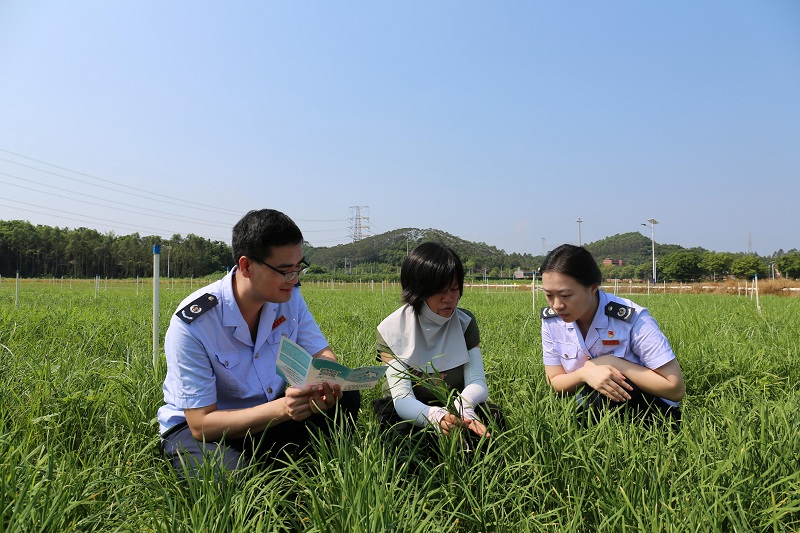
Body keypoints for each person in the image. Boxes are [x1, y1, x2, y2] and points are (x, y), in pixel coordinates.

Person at [158, 209, 360, 477]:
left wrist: (319, 383)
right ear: (246, 266)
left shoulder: (289, 298)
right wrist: (283, 409)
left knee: (345, 397)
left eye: (299, 268)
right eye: (285, 271)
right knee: (234, 482)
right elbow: (201, 424)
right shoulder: (195, 322)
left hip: (270, 415)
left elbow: (322, 353)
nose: (295, 279)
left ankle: (287, 462)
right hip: (206, 430)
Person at [373, 242, 504, 451]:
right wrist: (437, 416)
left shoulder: (464, 323)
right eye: (439, 291)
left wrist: (463, 410)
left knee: (493, 422)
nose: (449, 299)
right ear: (418, 290)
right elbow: (402, 397)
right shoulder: (391, 330)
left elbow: (477, 381)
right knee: (405, 444)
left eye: (454, 289)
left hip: (458, 402)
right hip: (409, 409)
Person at [539, 244, 685, 426]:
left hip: (650, 411)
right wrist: (585, 374)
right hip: (589, 408)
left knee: (601, 395)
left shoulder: (632, 320)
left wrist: (611, 362)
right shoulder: (552, 321)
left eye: (566, 296)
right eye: (549, 295)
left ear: (593, 288)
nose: (557, 305)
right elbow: (554, 382)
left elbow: (675, 389)